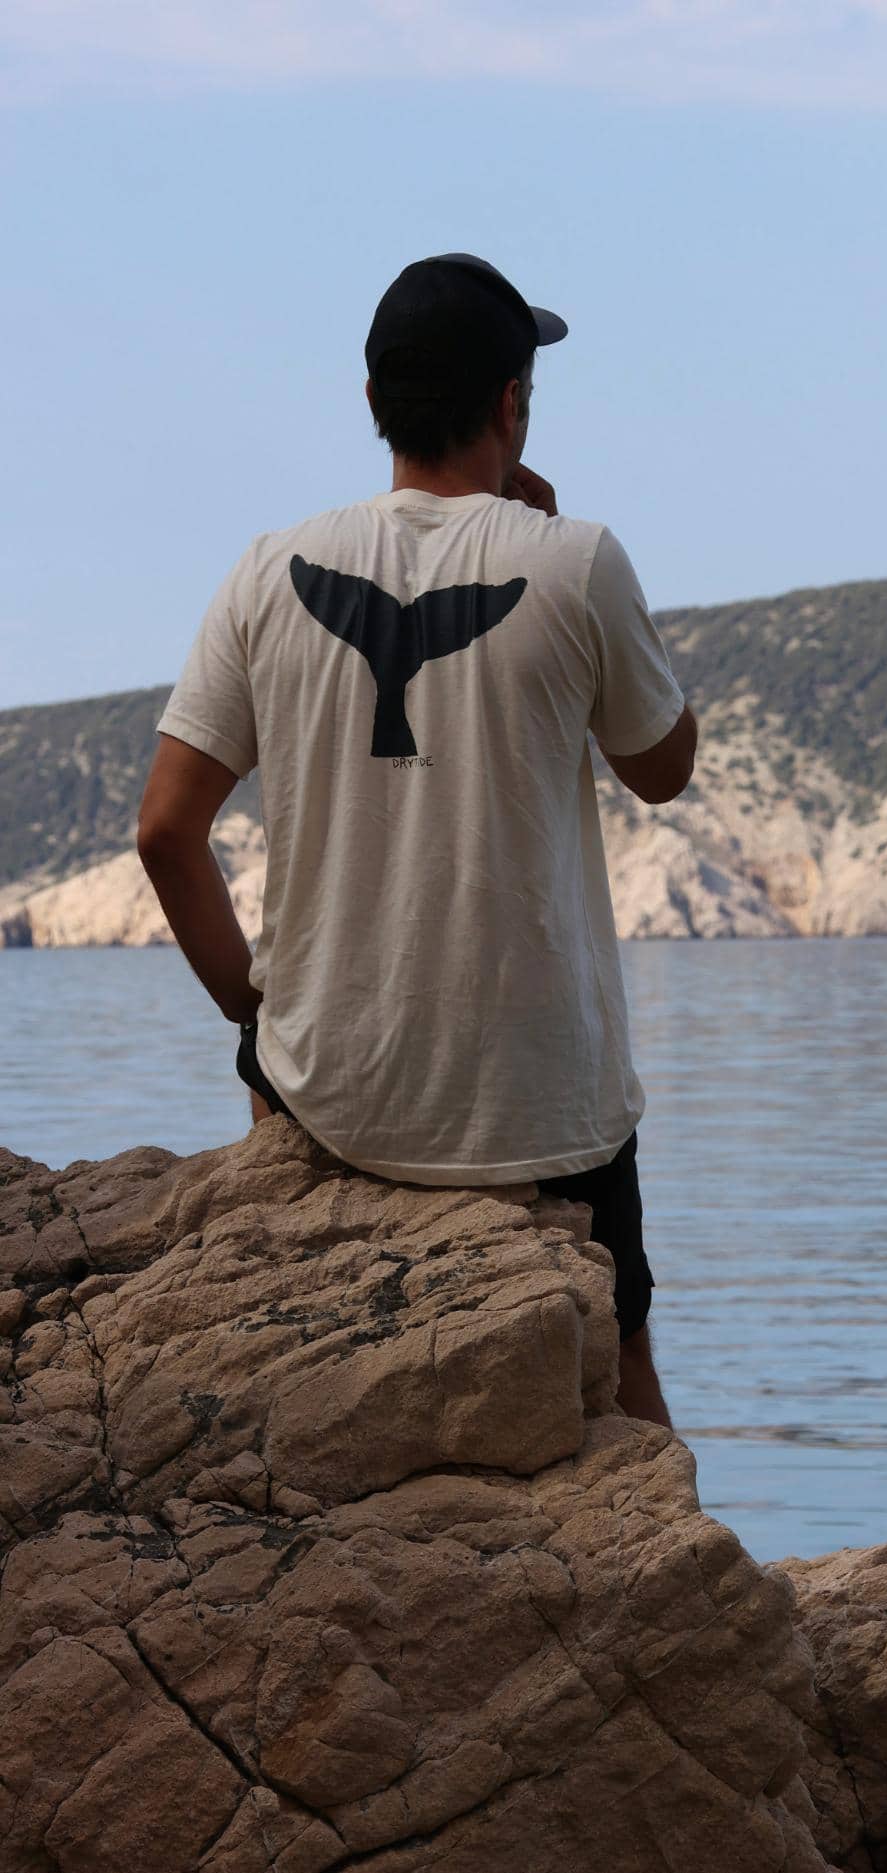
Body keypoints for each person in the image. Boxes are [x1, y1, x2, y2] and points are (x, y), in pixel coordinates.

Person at [137, 252, 696, 1429]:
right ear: (511, 404)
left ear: (374, 403)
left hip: (328, 1103)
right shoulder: (576, 559)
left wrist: (257, 1016)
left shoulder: (265, 570)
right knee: (624, 1374)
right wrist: (558, 562)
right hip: (541, 1117)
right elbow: (664, 770)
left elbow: (166, 832)